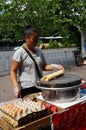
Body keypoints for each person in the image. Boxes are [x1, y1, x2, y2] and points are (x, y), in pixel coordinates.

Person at [10, 27, 64, 98]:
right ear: (26, 38)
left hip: (40, 85)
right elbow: (13, 71)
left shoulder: (39, 51)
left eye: (37, 40)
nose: (36, 42)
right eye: (34, 39)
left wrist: (54, 66)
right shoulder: (20, 52)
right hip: (27, 88)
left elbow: (44, 66)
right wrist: (16, 86)